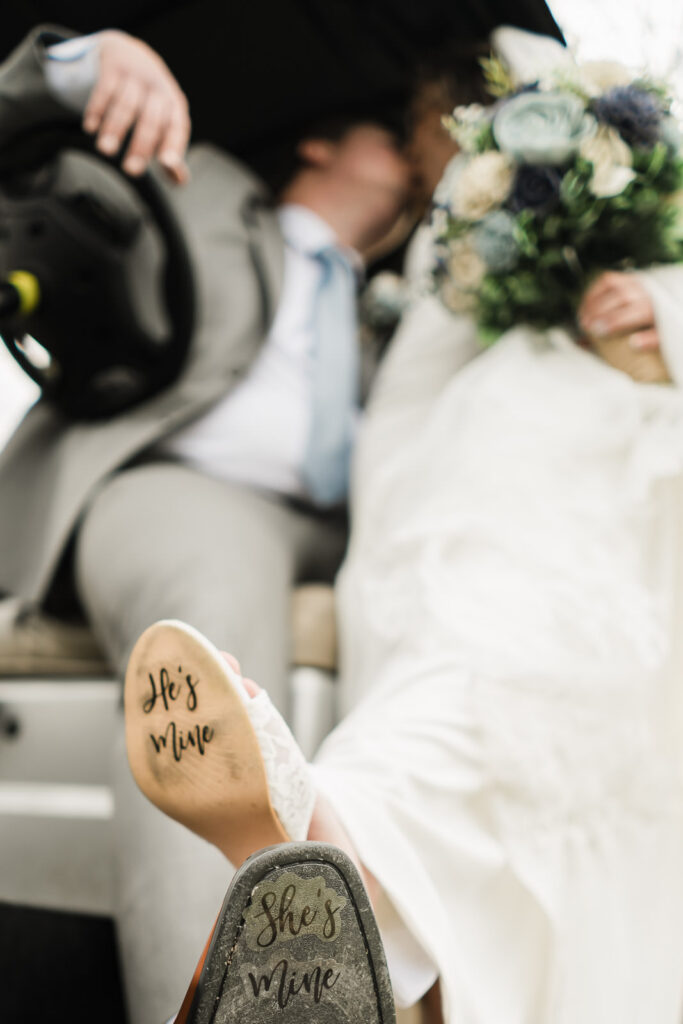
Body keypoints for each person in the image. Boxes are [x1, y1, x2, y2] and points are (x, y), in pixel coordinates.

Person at [124, 26, 683, 1024]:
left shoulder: (483, 243)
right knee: (492, 672)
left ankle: (327, 854)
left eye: (413, 127)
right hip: (477, 485)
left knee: (489, 668)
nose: (418, 150)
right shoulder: (386, 253)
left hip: (580, 465)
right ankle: (335, 873)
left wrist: (656, 308)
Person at [0, 25, 411, 1021]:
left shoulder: (405, 304)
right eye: (394, 135)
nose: (415, 155)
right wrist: (75, 70)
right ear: (322, 145)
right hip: (180, 485)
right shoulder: (203, 183)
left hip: (348, 529)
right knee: (207, 626)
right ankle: (211, 999)